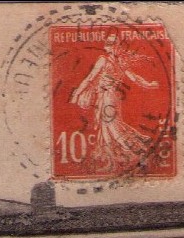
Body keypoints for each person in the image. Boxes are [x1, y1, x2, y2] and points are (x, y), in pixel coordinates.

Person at [69, 33, 162, 174]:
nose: (112, 47)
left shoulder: (104, 60)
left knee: (110, 125)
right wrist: (148, 84)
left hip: (107, 96)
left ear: (109, 46)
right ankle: (118, 153)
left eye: (112, 44)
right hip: (113, 96)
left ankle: (133, 150)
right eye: (113, 45)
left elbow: (89, 79)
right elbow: (134, 78)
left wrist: (77, 93)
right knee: (111, 124)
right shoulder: (120, 62)